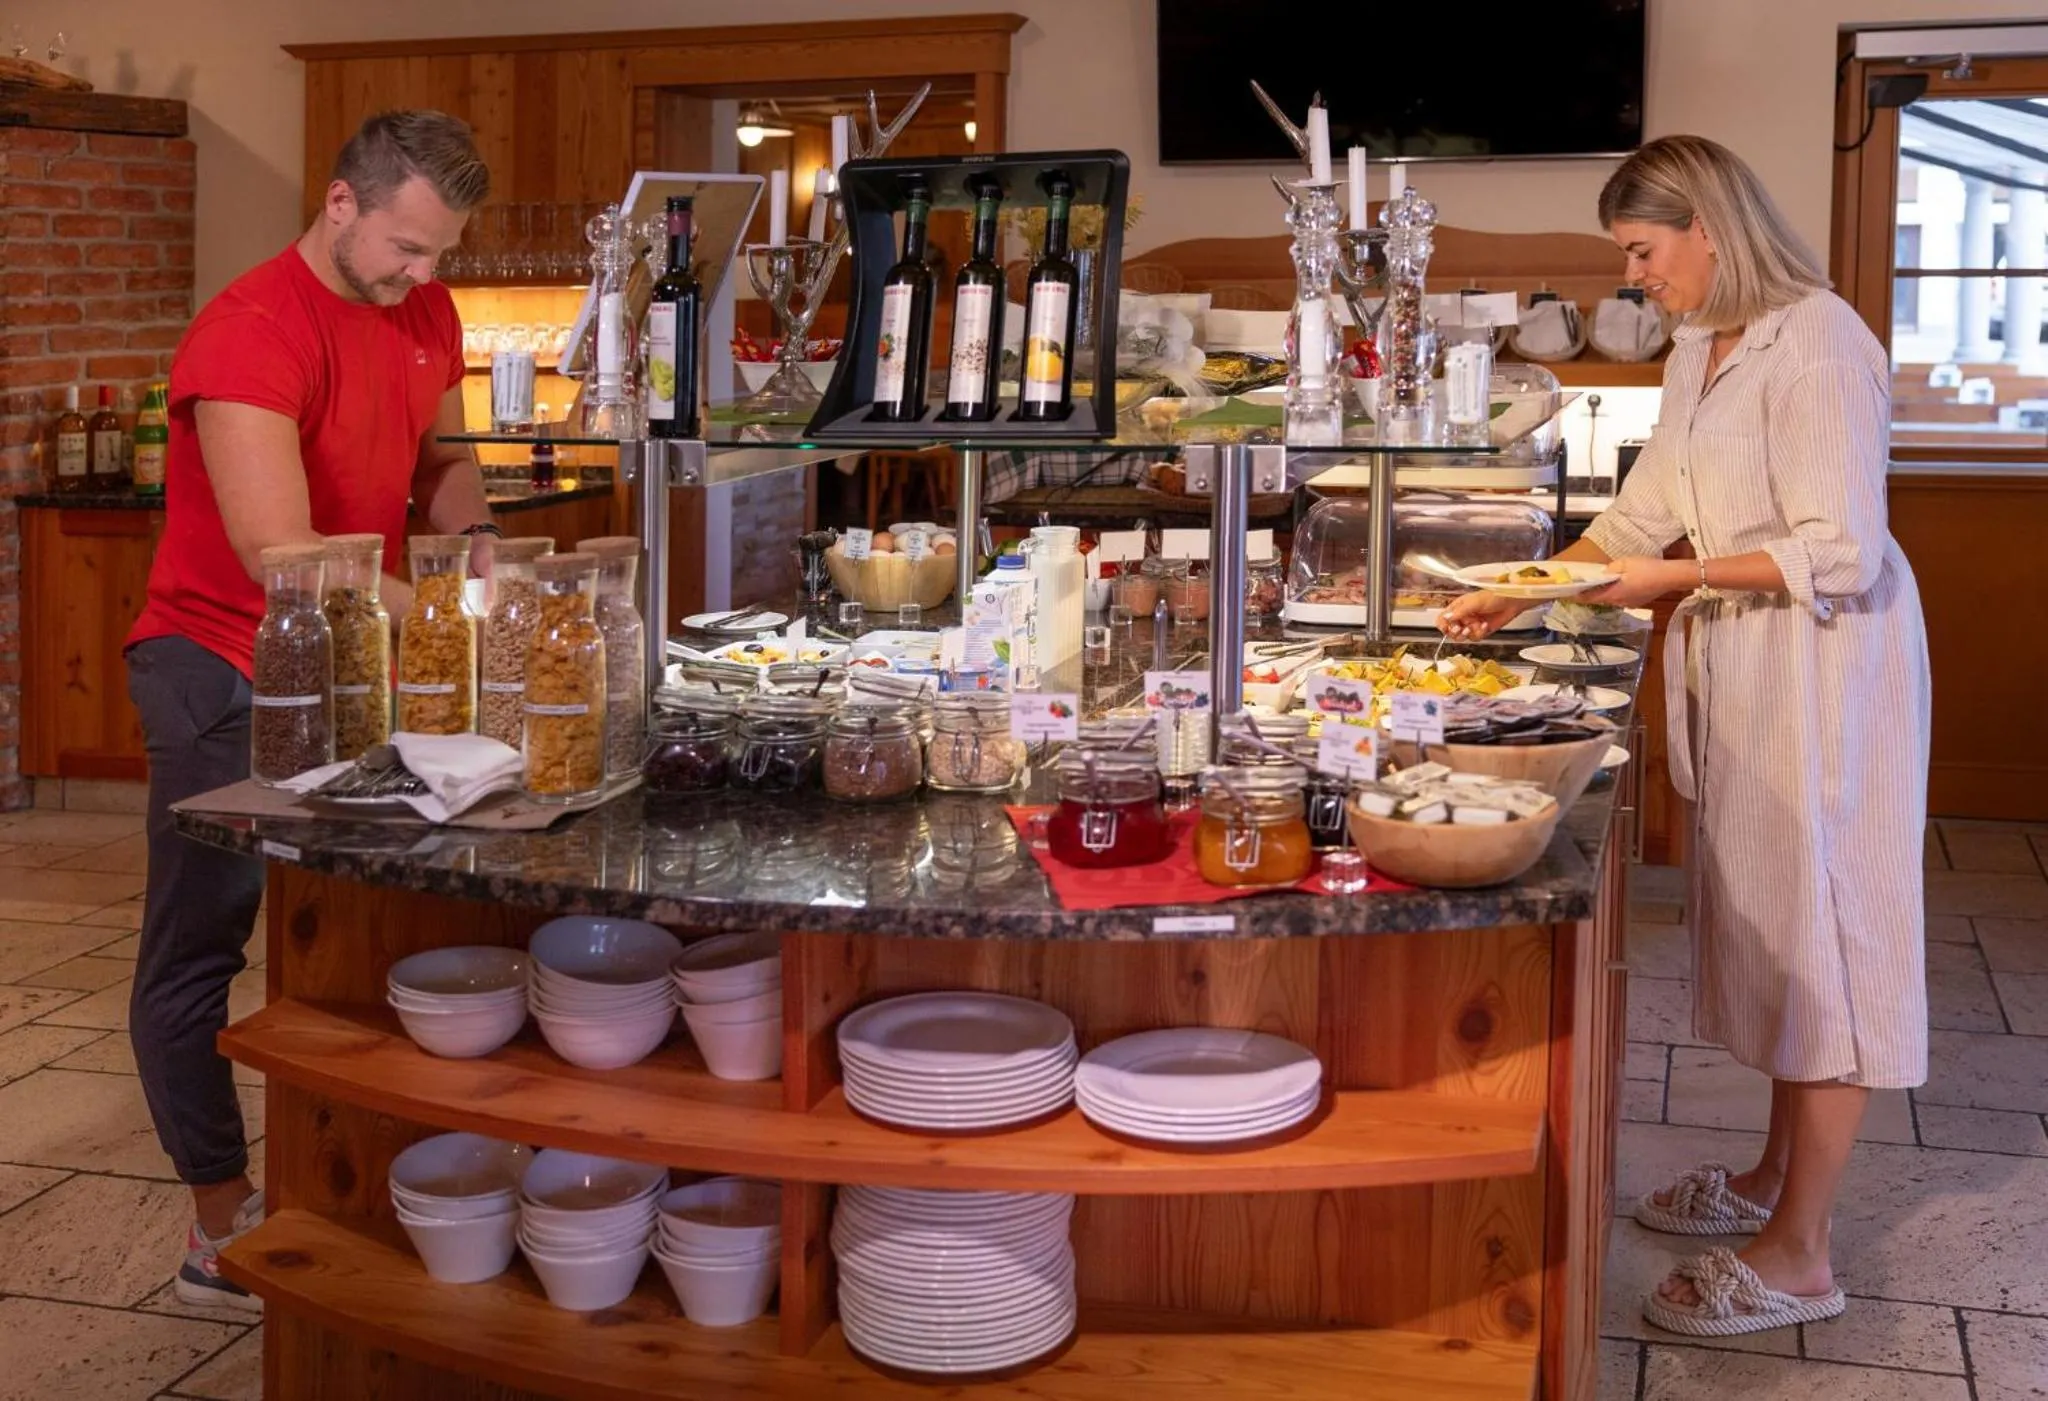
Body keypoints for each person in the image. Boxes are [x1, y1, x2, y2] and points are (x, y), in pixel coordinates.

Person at [1442, 134, 1931, 1338]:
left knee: (1826, 941)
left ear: (1708, 228)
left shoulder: (1817, 344)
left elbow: (1839, 549)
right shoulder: (1707, 346)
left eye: (1642, 252)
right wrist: (1531, 581)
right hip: (1747, 657)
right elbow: (1645, 508)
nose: (1634, 279)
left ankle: (1802, 1256)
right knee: (1776, 926)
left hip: (1824, 669)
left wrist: (1668, 580)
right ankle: (1769, 1182)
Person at [124, 109, 501, 1311]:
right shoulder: (248, 330)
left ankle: (355, 1185)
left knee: (359, 930)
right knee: (202, 945)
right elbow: (280, 550)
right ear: (341, 204)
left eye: (439, 253)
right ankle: (216, 1224)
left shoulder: (422, 310)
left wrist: (480, 552)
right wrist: (443, 620)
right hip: (223, 665)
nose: (423, 275)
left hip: (354, 656)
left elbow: (440, 459)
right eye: (406, 246)